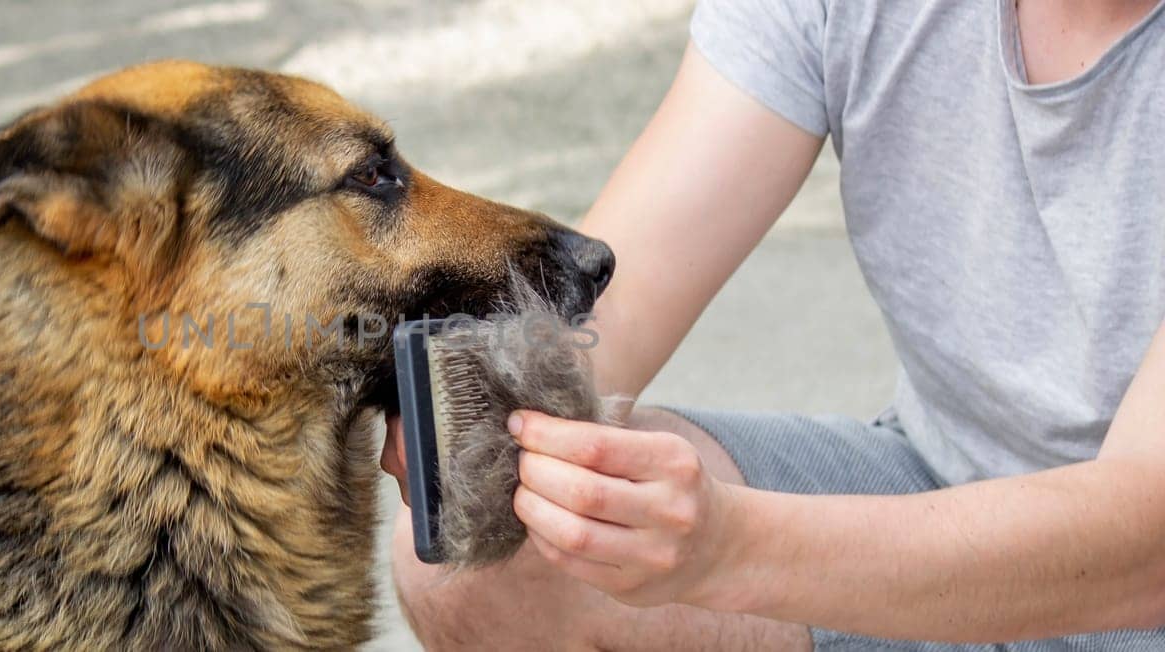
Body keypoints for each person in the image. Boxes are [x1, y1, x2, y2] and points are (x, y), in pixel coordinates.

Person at [381, 0, 1165, 649]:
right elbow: (604, 323)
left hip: (1137, 594)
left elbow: (1146, 542)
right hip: (934, 473)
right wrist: (472, 415)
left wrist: (731, 547)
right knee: (487, 557)